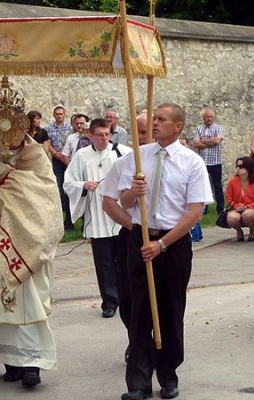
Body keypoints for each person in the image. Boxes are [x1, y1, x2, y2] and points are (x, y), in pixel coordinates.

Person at [0, 88, 64, 387]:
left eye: (12, 120)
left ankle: (32, 363)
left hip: (27, 241)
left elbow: (46, 196)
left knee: (27, 300)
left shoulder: (36, 156)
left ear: (22, 122)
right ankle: (11, 360)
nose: (6, 128)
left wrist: (11, 179)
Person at [118, 103, 213, 400]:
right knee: (139, 309)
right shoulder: (138, 158)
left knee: (171, 308)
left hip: (173, 244)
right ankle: (138, 382)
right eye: (154, 119)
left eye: (161, 120)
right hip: (142, 239)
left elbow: (195, 211)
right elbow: (123, 202)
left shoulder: (191, 162)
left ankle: (168, 373)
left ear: (178, 126)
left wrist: (163, 244)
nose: (155, 124)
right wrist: (133, 191)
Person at [64, 118, 132, 318]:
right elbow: (69, 182)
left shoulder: (122, 153)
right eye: (100, 135)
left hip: (120, 215)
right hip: (97, 216)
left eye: (107, 134)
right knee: (104, 263)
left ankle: (126, 297)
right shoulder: (82, 156)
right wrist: (84, 185)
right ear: (90, 136)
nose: (104, 138)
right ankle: (109, 301)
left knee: (124, 260)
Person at [100, 112, 148, 362]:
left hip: (165, 238)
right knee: (129, 296)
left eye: (149, 130)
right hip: (131, 236)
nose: (145, 136)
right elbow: (108, 201)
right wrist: (131, 224)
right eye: (139, 132)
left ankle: (160, 345)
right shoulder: (124, 162)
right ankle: (136, 339)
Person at [46, 105, 73, 230]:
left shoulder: (70, 127)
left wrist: (65, 156)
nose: (59, 116)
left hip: (69, 159)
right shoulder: (50, 129)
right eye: (57, 114)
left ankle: (72, 215)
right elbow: (48, 143)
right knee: (60, 185)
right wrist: (56, 154)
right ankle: (64, 214)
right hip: (57, 159)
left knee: (70, 185)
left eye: (61, 114)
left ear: (64, 115)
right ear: (54, 115)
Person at [225, 156, 254, 242]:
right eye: (237, 166)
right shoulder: (233, 181)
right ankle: (239, 231)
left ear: (248, 167)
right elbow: (229, 197)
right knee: (231, 217)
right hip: (238, 208)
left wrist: (247, 206)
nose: (238, 169)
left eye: (241, 166)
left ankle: (252, 229)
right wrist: (236, 206)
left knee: (247, 214)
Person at [193, 108, 224, 214]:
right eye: (207, 117)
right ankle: (204, 209)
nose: (209, 119)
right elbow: (196, 144)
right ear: (203, 118)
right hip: (203, 162)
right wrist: (211, 141)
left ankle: (220, 209)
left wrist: (203, 141)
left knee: (218, 186)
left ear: (214, 118)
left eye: (211, 117)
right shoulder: (199, 128)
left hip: (216, 161)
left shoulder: (218, 128)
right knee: (203, 186)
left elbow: (217, 141)